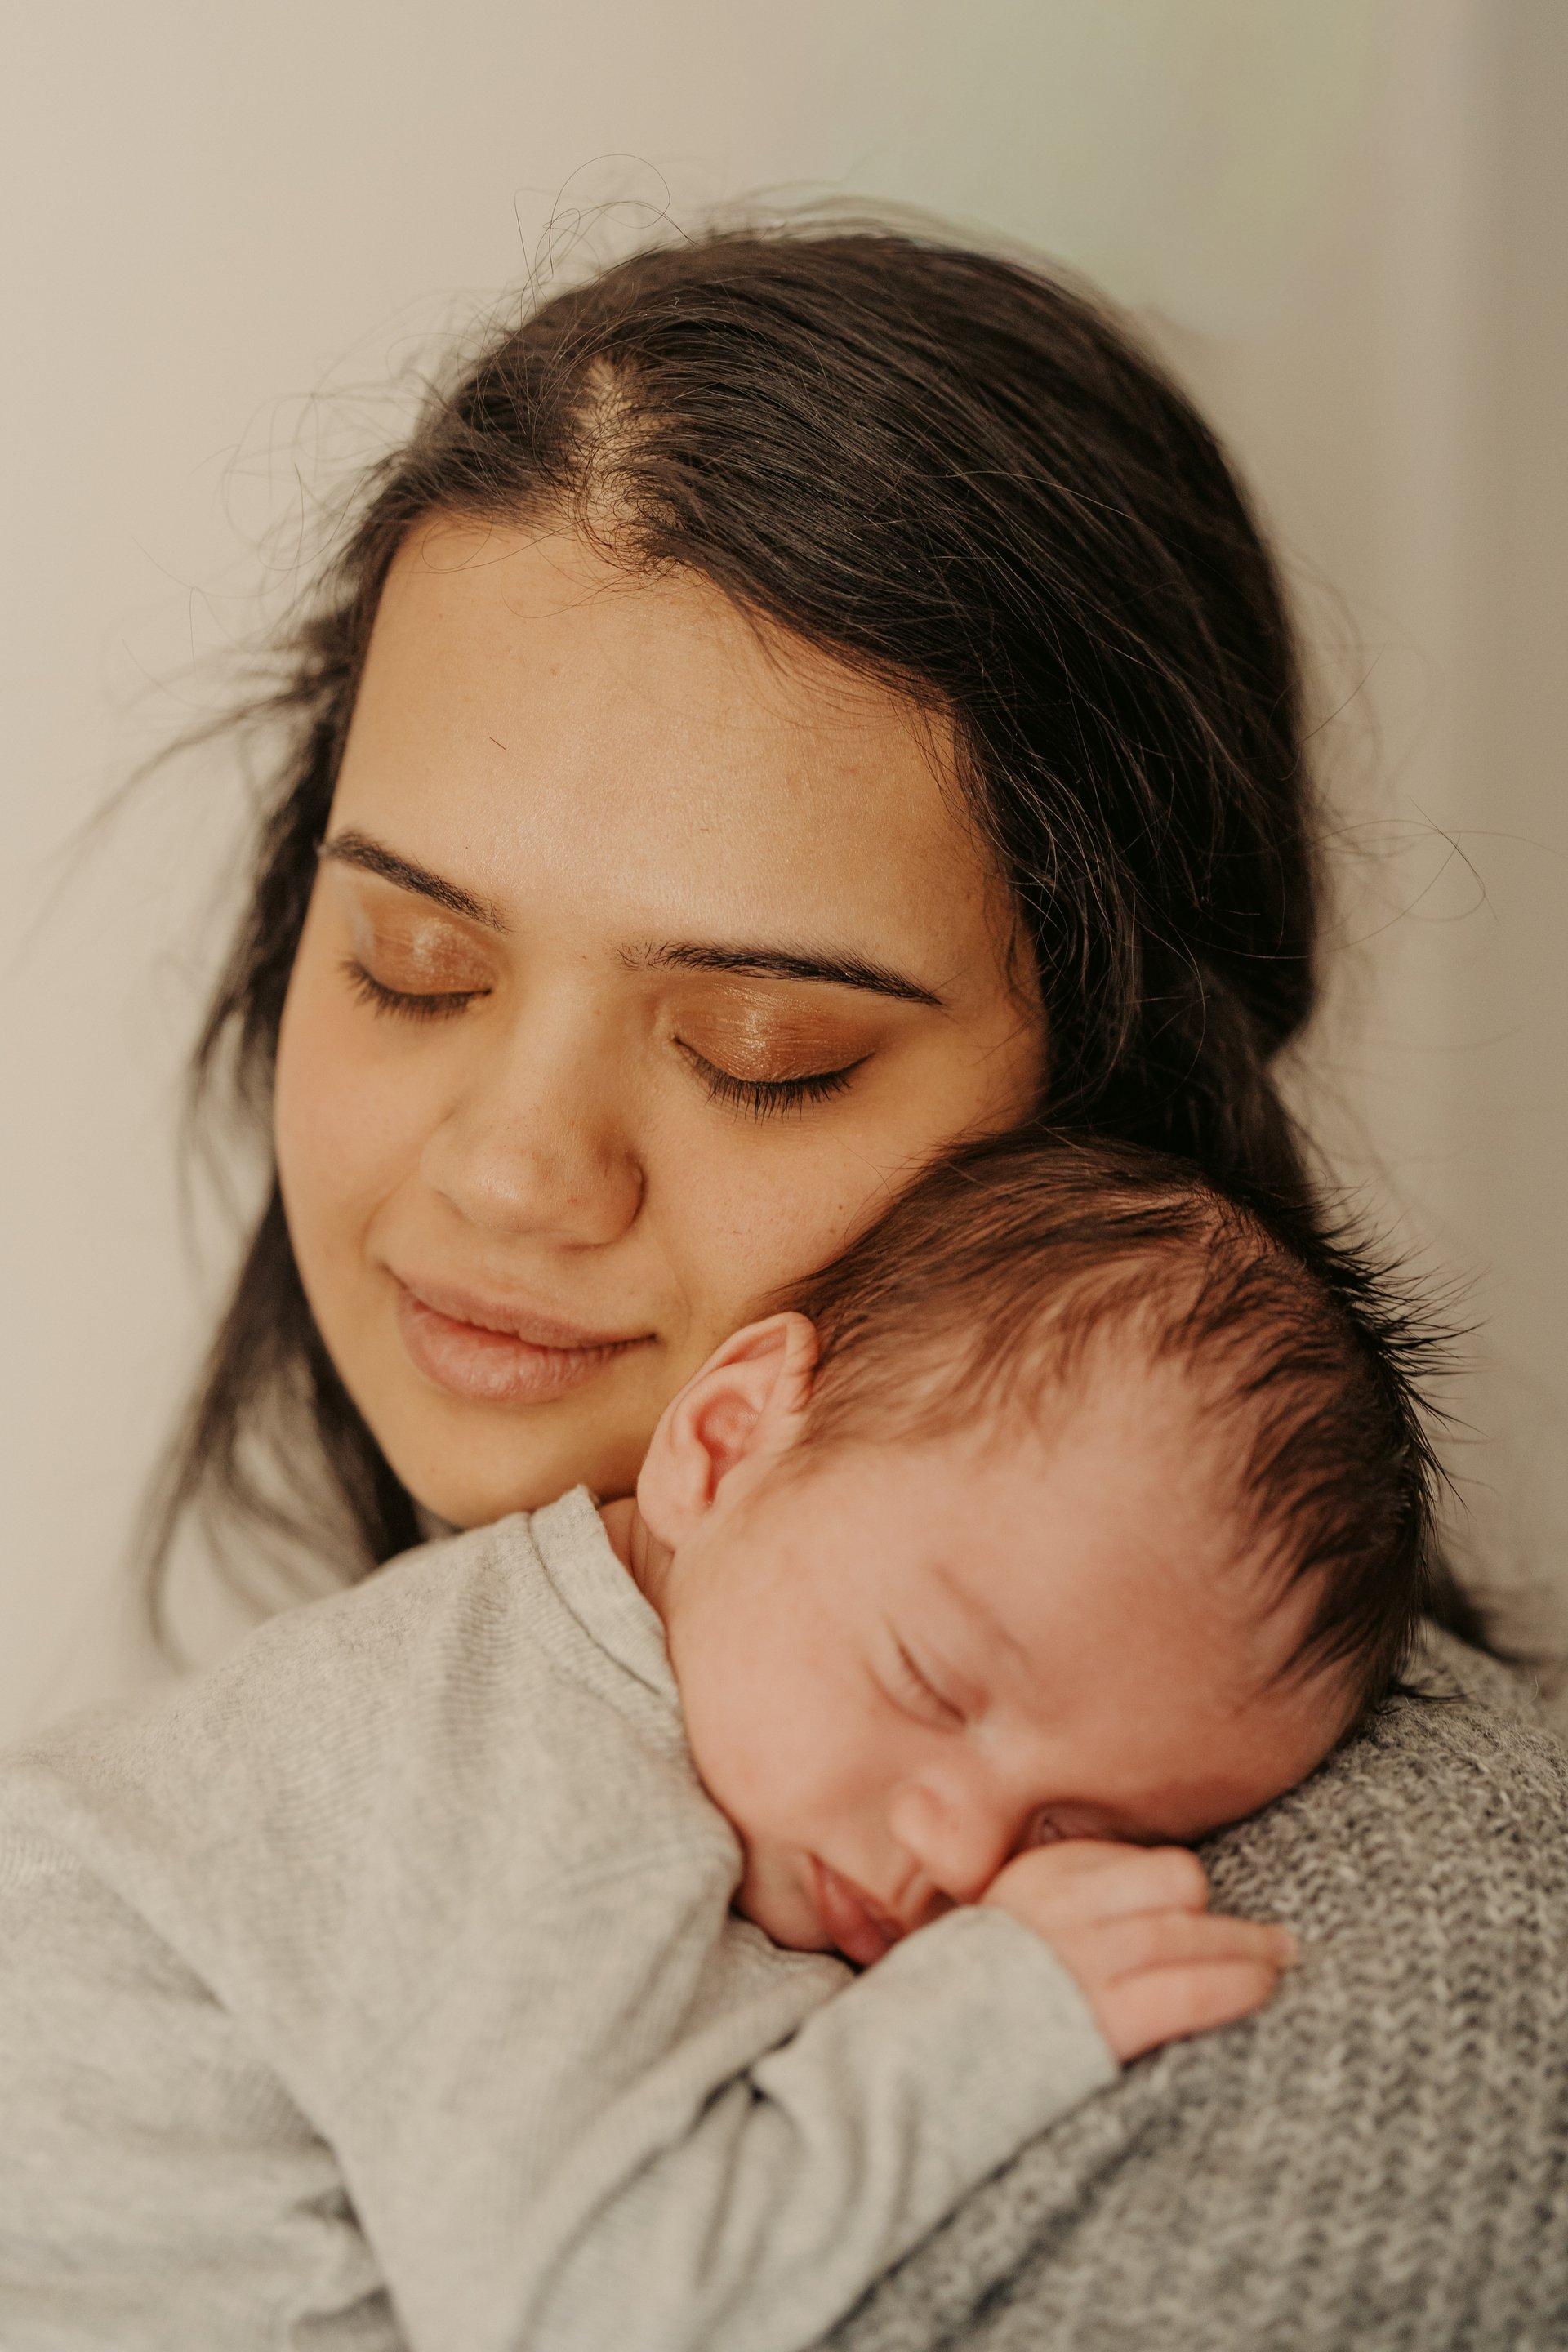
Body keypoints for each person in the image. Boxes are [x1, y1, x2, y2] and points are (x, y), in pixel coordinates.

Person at [15, 213, 1568, 2345]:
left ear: (1107, 1094)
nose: (511, 1169)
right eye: (412, 965)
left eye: (769, 1051)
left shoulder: (1350, 1958)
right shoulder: (458, 1746)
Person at [3, 1128, 1457, 2350]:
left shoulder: (713, 1747)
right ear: (723, 1442)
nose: (964, 1853)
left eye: (1089, 1835)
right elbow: (581, 2314)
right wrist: (990, 2029)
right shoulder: (538, 1768)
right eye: (931, 1684)